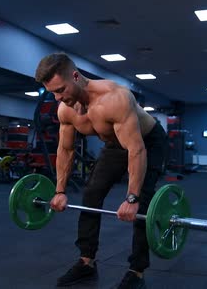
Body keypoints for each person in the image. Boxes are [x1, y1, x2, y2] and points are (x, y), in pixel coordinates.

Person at [34, 53, 167, 289]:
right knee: (91, 194)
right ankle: (86, 262)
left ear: (75, 76)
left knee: (142, 205)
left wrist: (132, 198)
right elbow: (65, 150)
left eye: (61, 89)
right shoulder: (65, 110)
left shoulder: (115, 97)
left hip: (148, 142)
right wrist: (60, 191)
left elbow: (137, 150)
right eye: (52, 92)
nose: (57, 97)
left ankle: (136, 272)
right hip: (115, 145)